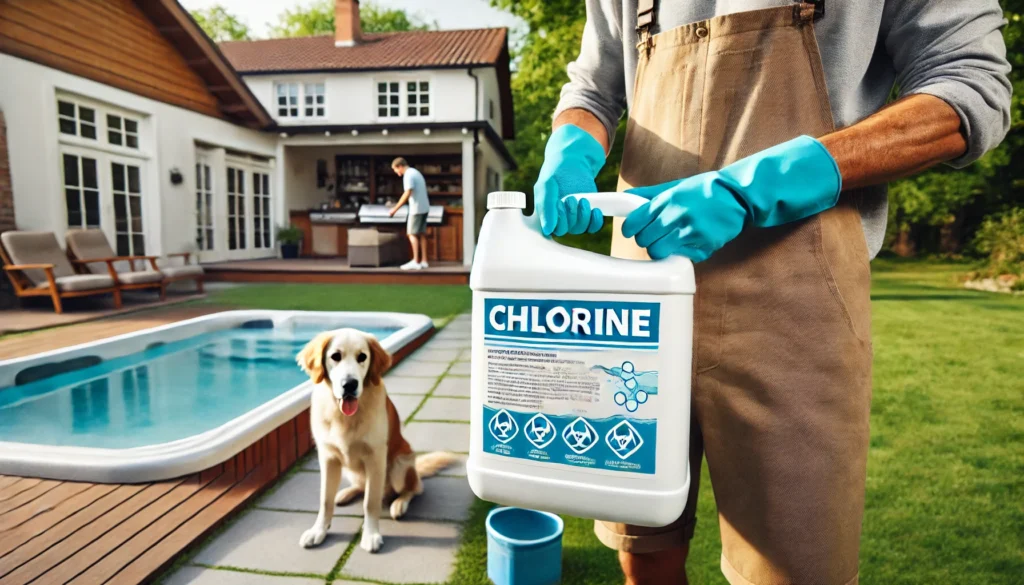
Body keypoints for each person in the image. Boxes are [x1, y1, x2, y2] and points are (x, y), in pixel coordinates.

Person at [535, 1, 1011, 585]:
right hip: (639, 308)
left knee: (791, 569)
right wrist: (571, 146)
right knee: (642, 546)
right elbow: (594, 86)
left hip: (793, 300)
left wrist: (763, 184)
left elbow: (970, 86)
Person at [388, 157, 430, 270]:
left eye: (395, 170)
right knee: (421, 234)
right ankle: (424, 261)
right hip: (425, 207)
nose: (396, 173)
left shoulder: (408, 175)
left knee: (411, 234)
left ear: (400, 166)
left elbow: (407, 193)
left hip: (416, 209)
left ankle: (415, 261)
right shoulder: (416, 172)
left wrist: (394, 209)